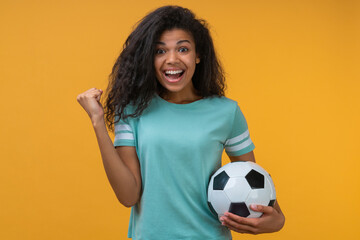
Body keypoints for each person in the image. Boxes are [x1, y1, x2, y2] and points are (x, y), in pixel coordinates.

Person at [77, 5, 285, 239]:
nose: (172, 60)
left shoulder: (226, 112)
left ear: (198, 55)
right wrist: (97, 121)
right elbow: (128, 196)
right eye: (160, 51)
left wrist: (277, 220)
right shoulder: (132, 110)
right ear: (148, 58)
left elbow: (256, 185)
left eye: (183, 49)